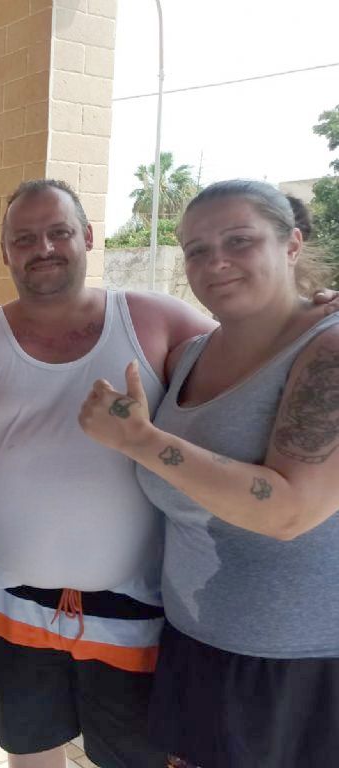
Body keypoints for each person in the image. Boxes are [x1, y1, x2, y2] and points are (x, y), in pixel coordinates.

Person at [0, 179, 218, 768]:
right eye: (25, 238)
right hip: (9, 600)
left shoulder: (154, 319)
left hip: (136, 606)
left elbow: (251, 352)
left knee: (138, 760)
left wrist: (304, 312)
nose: (43, 248)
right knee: (29, 754)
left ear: (88, 237)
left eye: (59, 232)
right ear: (5, 251)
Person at [79, 180, 339, 767]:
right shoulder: (193, 354)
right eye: (196, 249)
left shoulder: (327, 349)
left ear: (292, 244)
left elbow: (289, 511)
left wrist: (141, 441)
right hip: (196, 645)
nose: (215, 261)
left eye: (239, 240)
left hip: (295, 667)